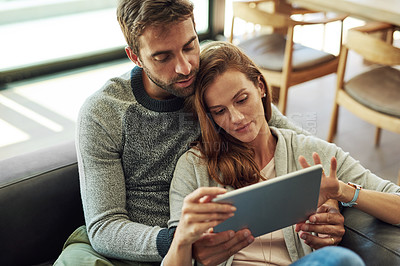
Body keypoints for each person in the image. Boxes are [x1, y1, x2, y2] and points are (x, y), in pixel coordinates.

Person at [54, 1, 344, 265]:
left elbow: (297, 144)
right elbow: (104, 226)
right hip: (139, 249)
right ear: (135, 56)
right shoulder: (104, 112)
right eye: (163, 57)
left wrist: (329, 198)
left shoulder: (214, 84)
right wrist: (182, 242)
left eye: (190, 46)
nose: (185, 67)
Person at [163, 41, 400, 266]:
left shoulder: (312, 153)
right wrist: (183, 239)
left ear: (261, 87)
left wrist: (342, 191)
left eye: (242, 99)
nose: (236, 118)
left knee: (340, 260)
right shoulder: (194, 166)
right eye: (219, 111)